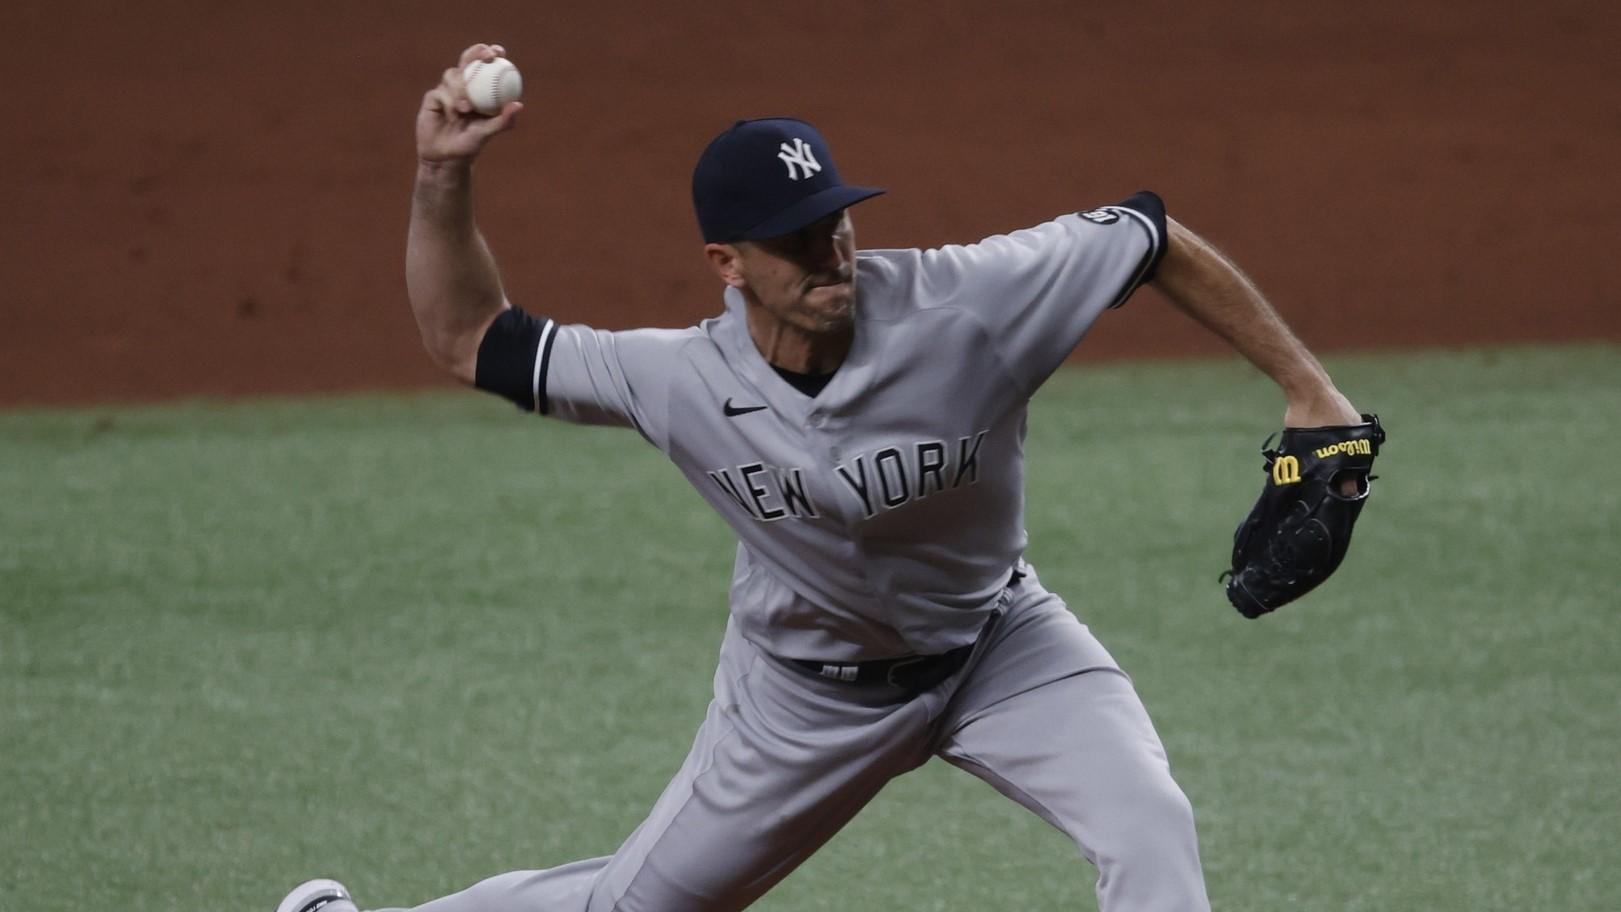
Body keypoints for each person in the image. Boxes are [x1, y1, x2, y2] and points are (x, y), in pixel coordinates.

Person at [279, 43, 1365, 912]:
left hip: (1001, 645)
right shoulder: (677, 379)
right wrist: (441, 172)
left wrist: (1311, 396)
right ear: (727, 263)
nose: (832, 255)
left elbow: (1147, 235)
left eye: (836, 223)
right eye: (796, 242)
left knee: (1149, 829)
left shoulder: (965, 305)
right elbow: (471, 336)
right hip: (801, 697)